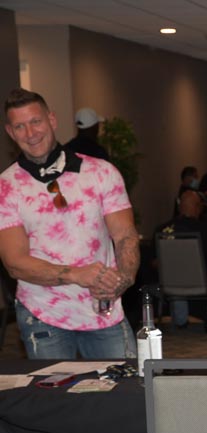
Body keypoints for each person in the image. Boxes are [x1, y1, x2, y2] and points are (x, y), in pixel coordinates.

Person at [0, 88, 138, 359]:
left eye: (36, 121)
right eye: (20, 126)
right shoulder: (6, 187)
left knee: (127, 383)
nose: (30, 133)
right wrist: (76, 274)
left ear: (52, 120)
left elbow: (125, 236)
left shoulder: (101, 172)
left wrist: (123, 279)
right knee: (55, 389)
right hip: (43, 314)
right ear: (10, 132)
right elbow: (15, 263)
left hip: (104, 310)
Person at [155, 188, 207, 330]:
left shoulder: (161, 230)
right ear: (198, 208)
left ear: (179, 207)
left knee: (176, 277)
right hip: (201, 284)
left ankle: (180, 319)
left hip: (171, 284)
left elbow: (155, 262)